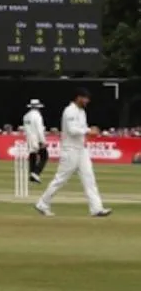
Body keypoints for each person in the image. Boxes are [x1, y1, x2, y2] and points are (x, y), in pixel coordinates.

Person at [36, 87, 111, 218]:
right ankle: (42, 203)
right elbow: (71, 130)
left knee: (89, 179)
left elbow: (81, 129)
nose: (87, 101)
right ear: (78, 97)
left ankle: (96, 208)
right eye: (85, 98)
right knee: (60, 179)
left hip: (81, 150)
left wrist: (88, 132)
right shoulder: (69, 111)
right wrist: (88, 131)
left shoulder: (82, 112)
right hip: (70, 150)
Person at [22, 98, 48, 184]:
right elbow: (39, 130)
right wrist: (43, 141)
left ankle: (32, 175)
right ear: (37, 107)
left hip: (29, 138)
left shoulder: (25, 116)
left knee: (32, 155)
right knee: (44, 156)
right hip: (36, 138)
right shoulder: (37, 116)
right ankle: (36, 173)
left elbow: (25, 129)